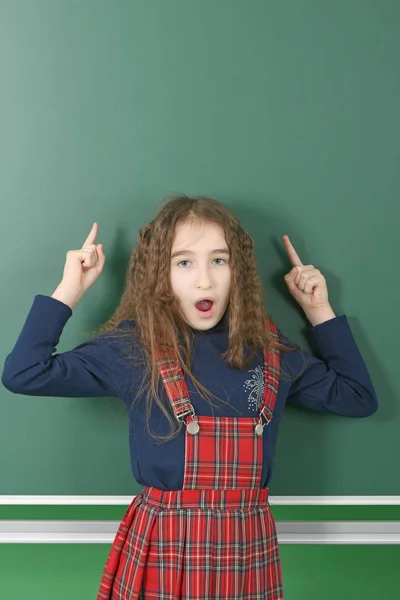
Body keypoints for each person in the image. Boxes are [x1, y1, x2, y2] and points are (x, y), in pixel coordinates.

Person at [1, 195, 378, 599]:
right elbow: (24, 373)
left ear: (240, 272)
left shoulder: (269, 352)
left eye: (219, 260)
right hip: (164, 549)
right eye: (184, 262)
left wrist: (318, 309)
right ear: (159, 274)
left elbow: (357, 397)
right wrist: (69, 290)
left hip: (246, 555)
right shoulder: (133, 349)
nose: (204, 280)